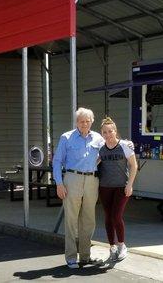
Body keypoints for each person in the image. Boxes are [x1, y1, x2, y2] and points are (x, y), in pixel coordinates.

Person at [53, 107, 104, 269]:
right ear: (76, 122)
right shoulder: (66, 137)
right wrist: (59, 183)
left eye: (87, 121)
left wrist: (126, 144)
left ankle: (85, 256)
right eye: (81, 121)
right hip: (72, 179)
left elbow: (110, 149)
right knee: (71, 220)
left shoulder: (98, 138)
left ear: (92, 121)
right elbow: (56, 161)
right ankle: (70, 257)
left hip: (91, 180)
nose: (84, 124)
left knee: (89, 220)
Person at [98, 117, 138, 262]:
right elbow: (92, 163)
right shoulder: (100, 149)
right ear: (102, 134)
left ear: (115, 131)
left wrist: (130, 184)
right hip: (104, 187)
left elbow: (134, 166)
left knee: (116, 216)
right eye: (105, 132)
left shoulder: (125, 146)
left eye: (110, 131)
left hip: (121, 187)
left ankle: (122, 245)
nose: (108, 134)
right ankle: (112, 247)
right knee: (108, 217)